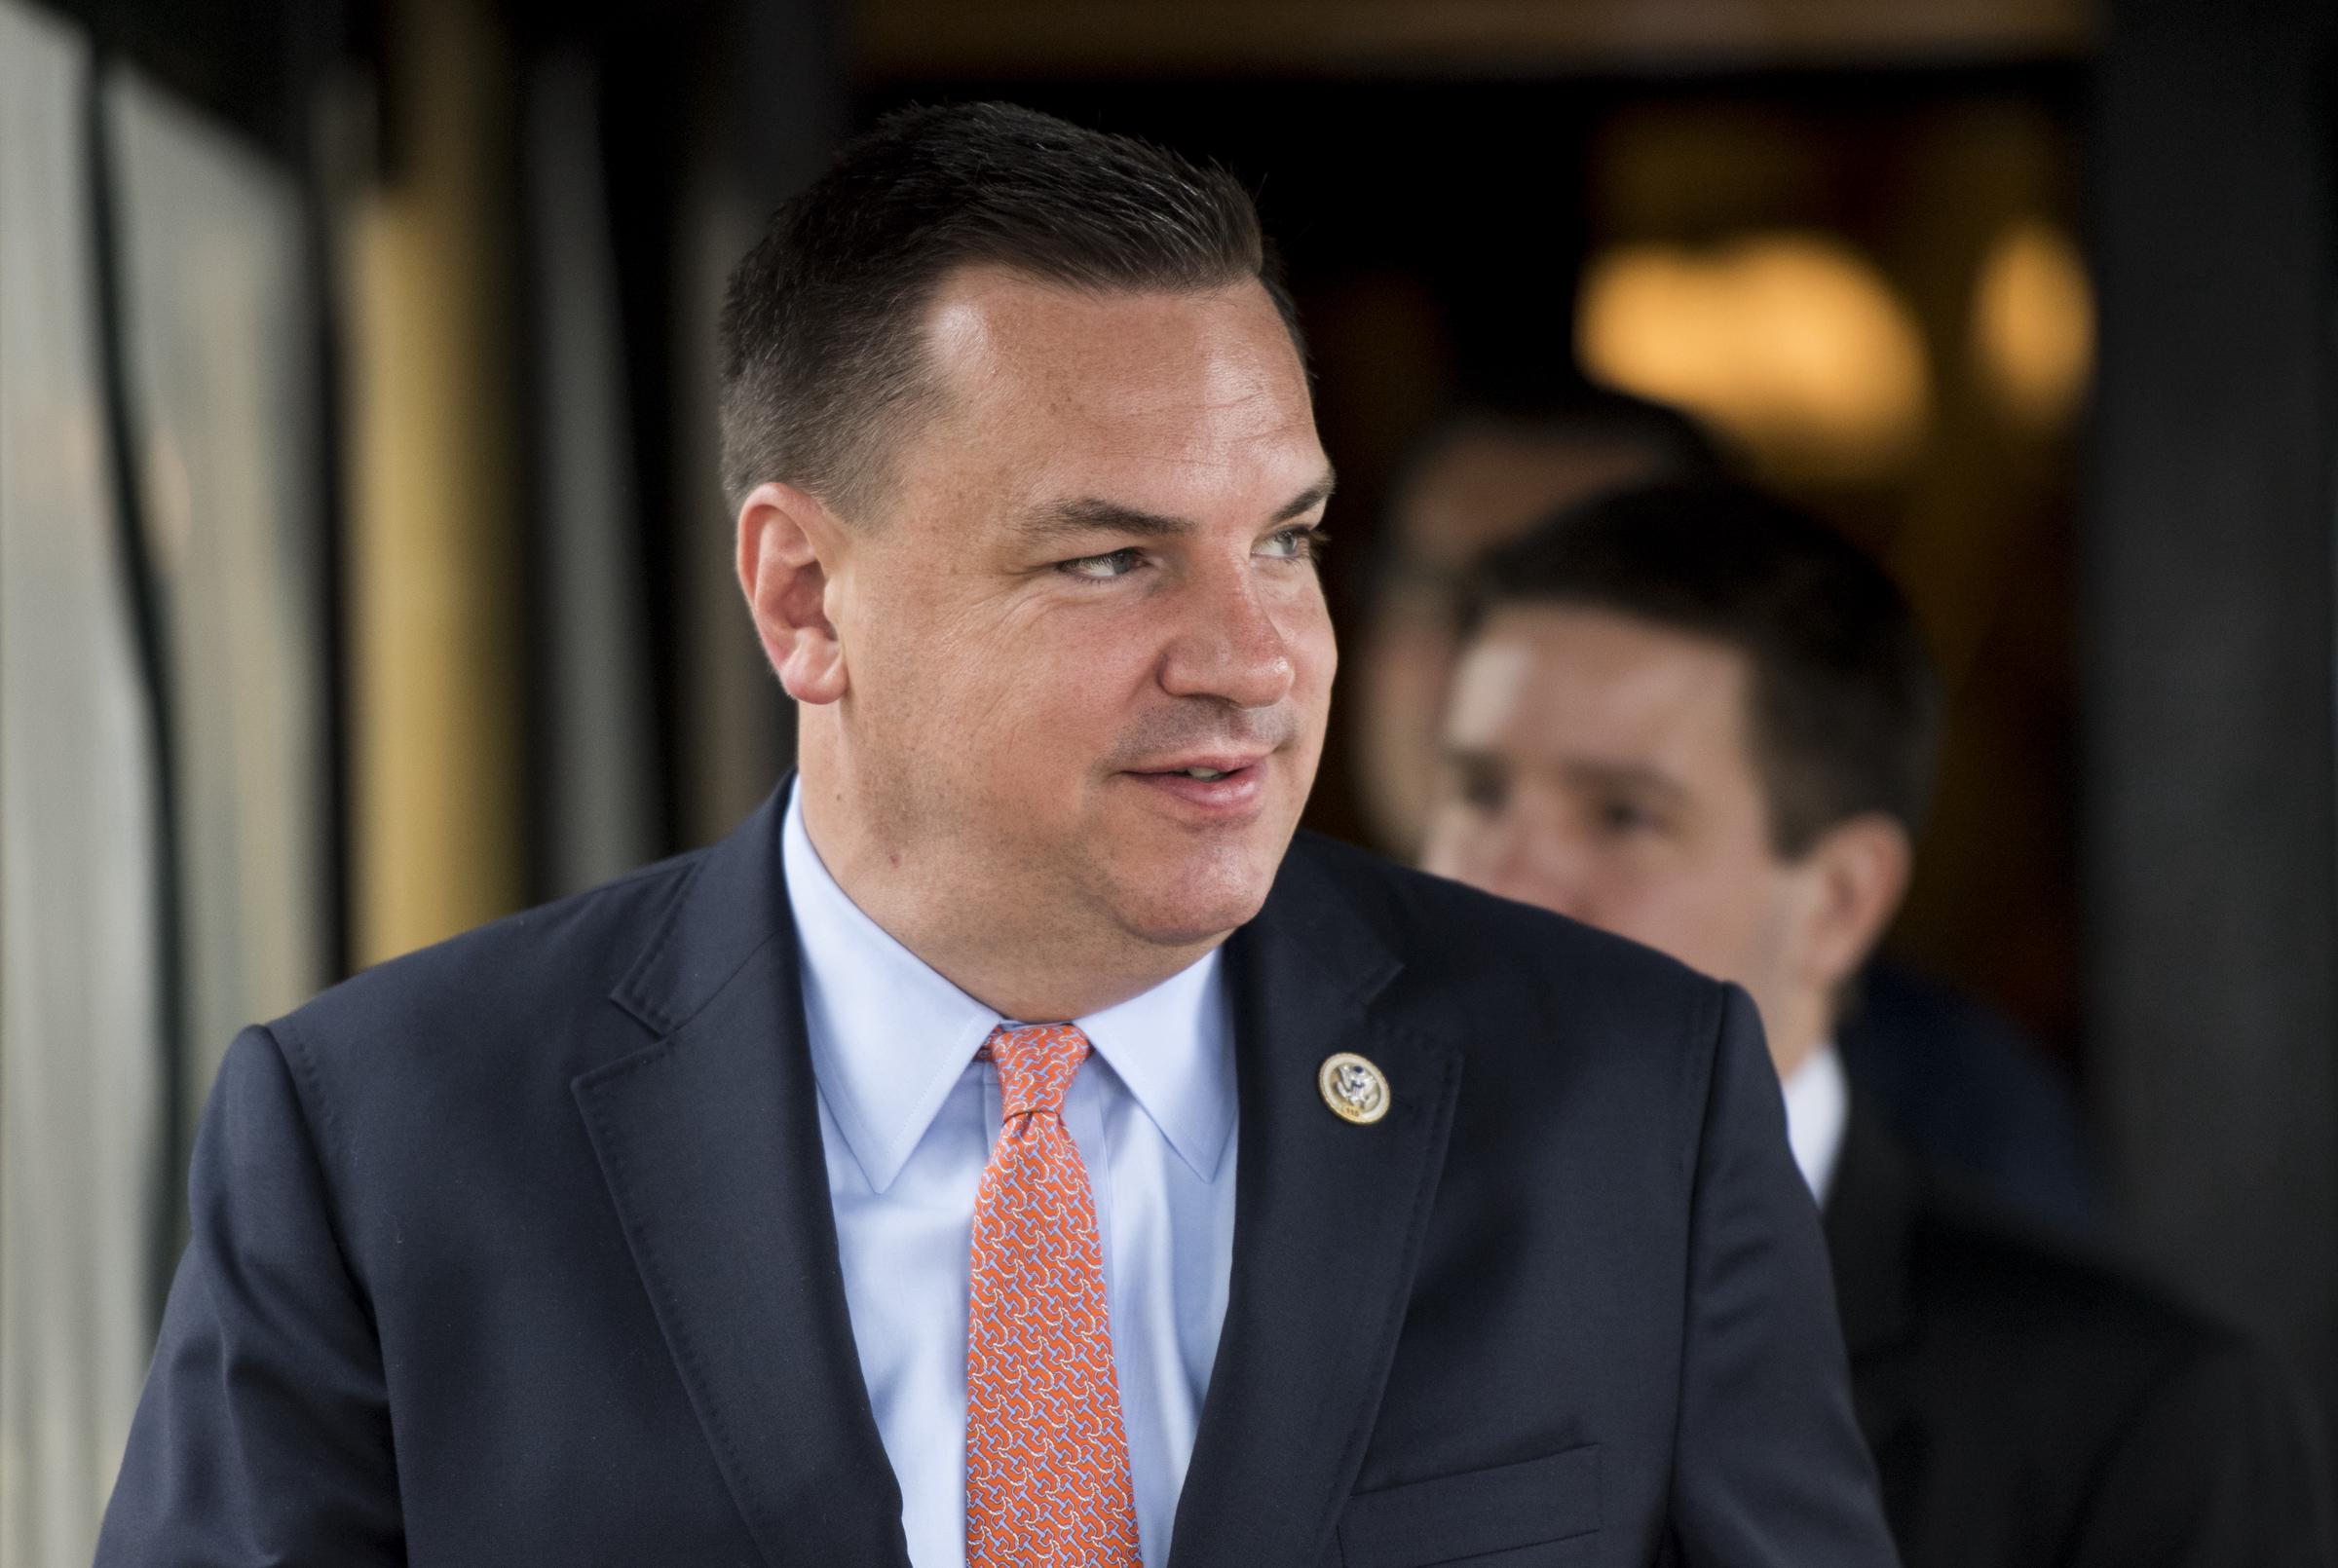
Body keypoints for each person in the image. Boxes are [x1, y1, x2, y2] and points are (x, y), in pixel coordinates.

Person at [95, 104, 1895, 1567]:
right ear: (805, 598)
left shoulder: (1631, 1106)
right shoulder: (386, 1144)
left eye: (1285, 541)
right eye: (1111, 558)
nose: (1255, 658)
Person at [1421, 479, 2332, 1568]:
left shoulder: (2145, 1424)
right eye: (1476, 791)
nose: (1496, 883)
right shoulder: (1301, 1281)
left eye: (1623, 815)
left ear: (1841, 902)